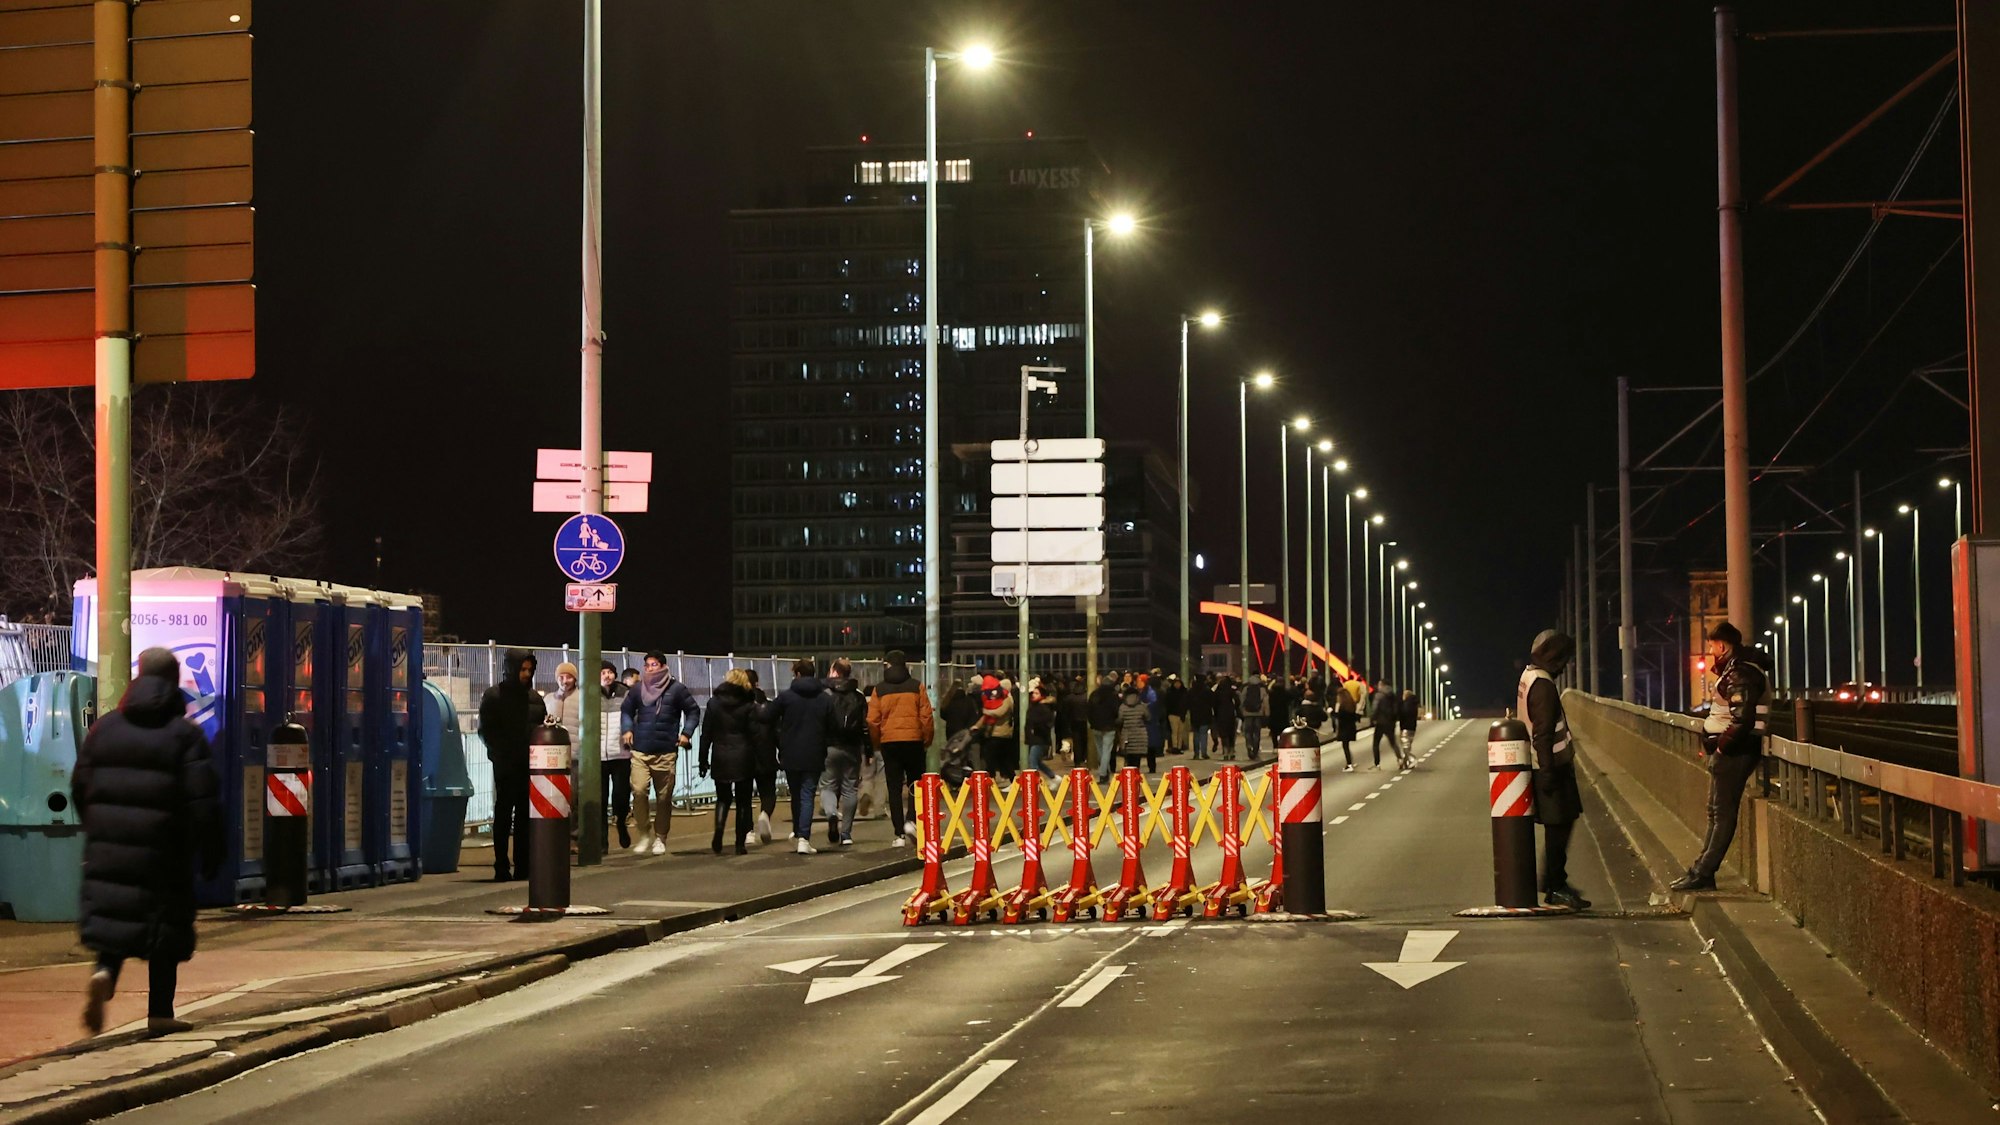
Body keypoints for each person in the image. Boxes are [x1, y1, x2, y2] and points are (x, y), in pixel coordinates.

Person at [75, 647, 224, 1035]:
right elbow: (203, 802)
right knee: (163, 927)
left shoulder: (104, 729)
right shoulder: (185, 736)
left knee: (117, 915)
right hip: (165, 850)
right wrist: (211, 852)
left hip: (108, 845)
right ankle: (160, 1012)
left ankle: (105, 972)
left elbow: (80, 785)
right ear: (174, 683)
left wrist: (97, 826)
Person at [1674, 622, 1772, 892]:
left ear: (1721, 645)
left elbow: (1742, 720)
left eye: (1711, 645)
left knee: (1722, 814)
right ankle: (1701, 869)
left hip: (1735, 752)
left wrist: (1721, 749)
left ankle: (1704, 873)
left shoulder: (1741, 673)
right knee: (1715, 812)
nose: (1709, 650)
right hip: (1731, 752)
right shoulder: (1735, 670)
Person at [1519, 630, 1589, 910]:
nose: (1565, 666)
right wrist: (1547, 771)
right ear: (1555, 657)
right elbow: (1543, 732)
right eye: (1564, 660)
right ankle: (1555, 884)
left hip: (1544, 765)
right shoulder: (1544, 686)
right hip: (1550, 767)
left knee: (1560, 824)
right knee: (1559, 827)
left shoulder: (1529, 676)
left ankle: (1552, 880)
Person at [621, 652, 700, 856]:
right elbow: (626, 710)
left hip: (666, 751)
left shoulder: (677, 689)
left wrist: (686, 733)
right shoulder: (638, 689)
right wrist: (627, 729)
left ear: (663, 666)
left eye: (653, 664)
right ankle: (644, 832)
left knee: (664, 798)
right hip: (640, 750)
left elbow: (693, 710)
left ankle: (660, 837)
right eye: (646, 665)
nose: (649, 668)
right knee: (638, 792)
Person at [479, 649, 545, 880]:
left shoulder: (535, 699)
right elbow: (486, 731)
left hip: (527, 765)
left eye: (529, 670)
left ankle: (522, 865)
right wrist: (498, 754)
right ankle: (502, 864)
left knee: (524, 816)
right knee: (505, 814)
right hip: (506, 765)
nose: (526, 674)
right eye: (523, 669)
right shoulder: (494, 696)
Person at [868, 649, 934, 847]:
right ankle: (911, 821)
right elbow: (927, 717)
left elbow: (872, 721)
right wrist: (926, 740)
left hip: (890, 743)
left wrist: (877, 742)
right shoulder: (917, 686)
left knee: (894, 787)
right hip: (914, 741)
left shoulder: (879, 689)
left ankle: (899, 834)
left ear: (888, 665)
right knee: (915, 784)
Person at [768, 658, 831, 855]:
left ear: (796, 674)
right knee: (807, 795)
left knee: (796, 794)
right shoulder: (825, 698)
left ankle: (797, 833)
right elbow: (835, 725)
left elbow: (767, 716)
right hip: (814, 751)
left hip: (790, 752)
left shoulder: (786, 697)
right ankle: (803, 837)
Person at [699, 668, 758, 855]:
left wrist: (702, 759)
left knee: (723, 798)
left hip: (721, 754)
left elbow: (706, 733)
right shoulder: (749, 704)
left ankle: (718, 832)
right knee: (743, 801)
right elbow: (754, 733)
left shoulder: (713, 703)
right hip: (743, 754)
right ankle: (739, 843)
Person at [821, 658, 870, 846]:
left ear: (834, 672)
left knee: (828, 786)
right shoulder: (857, 696)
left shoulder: (825, 694)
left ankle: (832, 813)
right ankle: (846, 834)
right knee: (850, 788)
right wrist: (868, 749)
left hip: (829, 746)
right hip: (852, 747)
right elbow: (865, 725)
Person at [598, 662, 633, 850]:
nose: (606, 676)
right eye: (603, 672)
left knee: (620, 795)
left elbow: (633, 716)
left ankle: (621, 823)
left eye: (610, 672)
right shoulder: (590, 693)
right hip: (598, 756)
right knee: (601, 799)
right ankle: (602, 840)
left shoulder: (625, 693)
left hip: (620, 753)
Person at [745, 668, 779, 845]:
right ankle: (765, 814)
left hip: (744, 754)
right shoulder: (770, 705)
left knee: (744, 795)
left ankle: (748, 831)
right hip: (766, 753)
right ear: (757, 683)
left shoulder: (739, 706)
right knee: (768, 792)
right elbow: (778, 731)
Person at [977, 673, 1018, 783]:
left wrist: (986, 711)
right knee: (1001, 758)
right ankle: (1008, 779)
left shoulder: (1007, 699)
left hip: (1001, 733)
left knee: (993, 757)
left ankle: (995, 779)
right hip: (995, 733)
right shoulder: (997, 699)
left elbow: (999, 713)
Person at [1088, 673, 1122, 781]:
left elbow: (1089, 711)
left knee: (1100, 751)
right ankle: (1103, 774)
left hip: (1096, 726)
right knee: (1107, 751)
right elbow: (1116, 711)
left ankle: (1105, 772)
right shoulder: (1113, 695)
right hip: (1109, 726)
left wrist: (1092, 722)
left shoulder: (1094, 694)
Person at [1024, 681, 1057, 779]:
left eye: (1036, 693)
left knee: (1033, 762)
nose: (1033, 695)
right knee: (1037, 762)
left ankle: (1035, 784)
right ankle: (1053, 777)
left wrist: (1035, 728)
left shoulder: (1043, 708)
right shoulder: (1034, 706)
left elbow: (1046, 724)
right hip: (1034, 738)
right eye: (1033, 693)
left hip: (1040, 739)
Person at [1116, 684, 1151, 773]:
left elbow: (1120, 720)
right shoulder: (1142, 706)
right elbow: (1148, 717)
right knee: (1137, 757)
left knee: (1128, 756)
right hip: (1140, 734)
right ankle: (1136, 773)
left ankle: (1129, 775)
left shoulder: (1122, 707)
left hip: (1127, 734)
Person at [543, 662, 581, 742]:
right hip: (553, 748)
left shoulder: (582, 698)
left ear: (575, 679)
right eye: (561, 677)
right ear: (557, 679)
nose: (565, 681)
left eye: (569, 677)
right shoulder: (548, 699)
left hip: (576, 749)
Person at [1369, 680, 1399, 770]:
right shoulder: (1393, 695)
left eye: (1379, 685)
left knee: (1376, 743)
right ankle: (1400, 759)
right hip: (1391, 722)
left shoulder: (1379, 695)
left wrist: (1372, 719)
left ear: (1381, 685)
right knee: (1393, 742)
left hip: (1380, 722)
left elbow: (1375, 708)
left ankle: (1377, 764)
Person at [1240, 673, 1270, 761]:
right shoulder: (1262, 689)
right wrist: (1267, 713)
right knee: (1257, 733)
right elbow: (1265, 702)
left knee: (1248, 732)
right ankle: (1255, 750)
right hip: (1258, 713)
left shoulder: (1246, 688)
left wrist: (1242, 711)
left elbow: (1242, 701)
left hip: (1247, 714)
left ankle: (1249, 747)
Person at [1332, 678, 1360, 772]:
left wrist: (1332, 712)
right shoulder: (1351, 704)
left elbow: (1340, 717)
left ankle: (1349, 764)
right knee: (1346, 746)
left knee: (1345, 747)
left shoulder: (1342, 706)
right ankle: (1350, 762)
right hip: (1351, 728)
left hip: (1344, 729)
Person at [1212, 674, 1240, 761]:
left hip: (1221, 715)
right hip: (1230, 714)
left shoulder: (1218, 691)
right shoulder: (1231, 691)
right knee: (1231, 733)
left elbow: (1214, 704)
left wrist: (1216, 714)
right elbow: (1237, 702)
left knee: (1223, 734)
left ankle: (1225, 751)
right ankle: (1231, 751)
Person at [1188, 673, 1215, 761]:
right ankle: (1204, 753)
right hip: (1205, 715)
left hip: (1194, 715)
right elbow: (1212, 701)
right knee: (1203, 734)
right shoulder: (1207, 690)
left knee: (1196, 735)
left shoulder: (1192, 690)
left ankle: (1196, 753)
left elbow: (1187, 702)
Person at [1163, 675, 1189, 755]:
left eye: (1178, 683)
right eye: (1176, 683)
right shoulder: (1170, 692)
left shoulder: (1184, 692)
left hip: (1181, 714)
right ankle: (1175, 747)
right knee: (1175, 732)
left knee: (1180, 732)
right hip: (1173, 714)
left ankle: (1179, 747)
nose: (1177, 685)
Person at [1397, 689, 1420, 769]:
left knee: (1405, 745)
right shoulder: (1414, 704)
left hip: (1405, 727)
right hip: (1412, 727)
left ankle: (1411, 759)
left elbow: (1404, 713)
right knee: (1407, 745)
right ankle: (1404, 762)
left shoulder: (1407, 704)